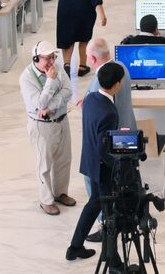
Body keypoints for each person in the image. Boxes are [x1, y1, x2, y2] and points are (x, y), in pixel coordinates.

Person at [65, 62, 126, 262]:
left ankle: (75, 247)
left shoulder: (91, 98)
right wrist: (118, 165)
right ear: (117, 84)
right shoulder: (110, 111)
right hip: (103, 169)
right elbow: (103, 147)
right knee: (110, 213)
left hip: (90, 163)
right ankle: (112, 258)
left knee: (94, 205)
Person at [19, 41, 76, 216]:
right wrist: (51, 82)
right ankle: (46, 200)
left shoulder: (57, 66)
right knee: (44, 164)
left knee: (64, 159)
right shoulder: (26, 77)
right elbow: (38, 103)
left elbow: (68, 91)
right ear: (36, 58)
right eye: (47, 58)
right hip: (41, 126)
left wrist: (50, 108)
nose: (52, 62)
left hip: (61, 119)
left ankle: (60, 192)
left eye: (53, 57)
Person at [80, 38, 136, 128]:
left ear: (93, 58)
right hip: (128, 127)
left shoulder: (102, 79)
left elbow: (96, 113)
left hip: (114, 136)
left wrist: (87, 103)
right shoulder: (122, 66)